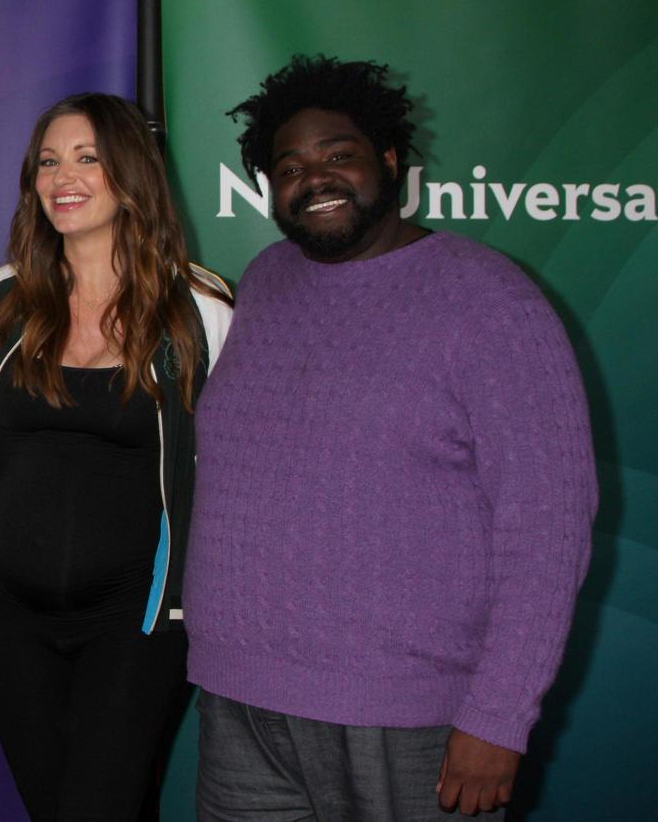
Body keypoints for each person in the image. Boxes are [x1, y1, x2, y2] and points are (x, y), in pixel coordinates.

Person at [185, 55, 597, 820]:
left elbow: (548, 529)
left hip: (412, 722)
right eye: (290, 166)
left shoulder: (490, 300)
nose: (315, 177)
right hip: (244, 707)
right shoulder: (269, 279)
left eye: (338, 154)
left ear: (390, 159)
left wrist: (498, 719)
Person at [0, 93, 232, 820]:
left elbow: (231, 466)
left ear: (131, 174)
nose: (62, 176)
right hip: (3, 614)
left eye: (87, 157)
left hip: (135, 619)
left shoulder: (198, 309)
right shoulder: (4, 299)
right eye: (48, 160)